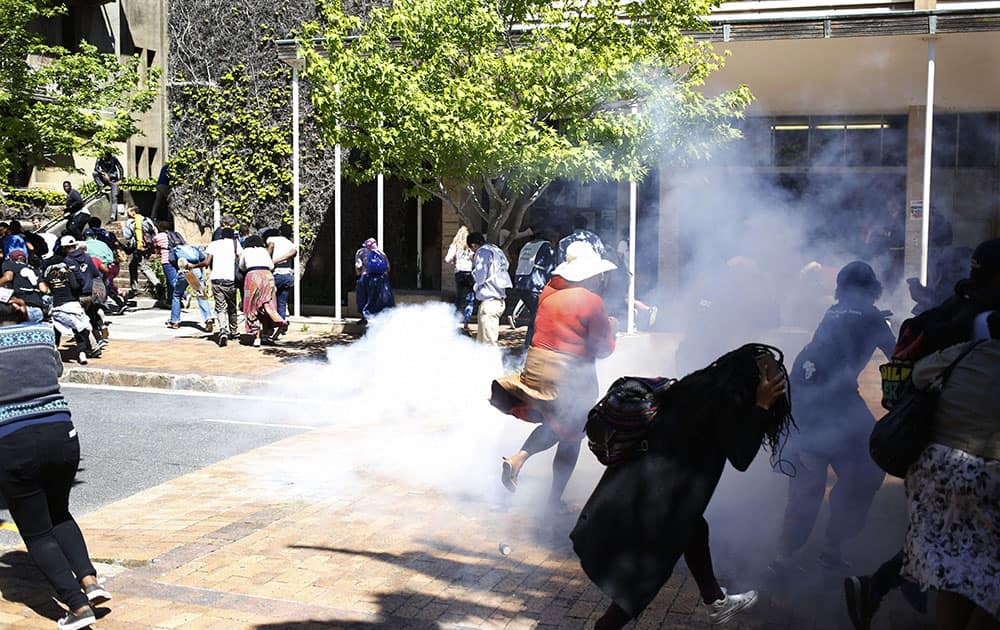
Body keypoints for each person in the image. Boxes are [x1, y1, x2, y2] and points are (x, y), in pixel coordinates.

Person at [572, 344, 793, 629]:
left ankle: (715, 601)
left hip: (642, 485)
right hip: (659, 500)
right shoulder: (727, 402)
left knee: (694, 528)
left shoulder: (701, 383)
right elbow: (741, 456)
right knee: (642, 582)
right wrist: (762, 407)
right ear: (754, 381)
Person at [845, 238, 1000, 629]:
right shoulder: (985, 318)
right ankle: (882, 585)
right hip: (982, 459)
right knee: (970, 559)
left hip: (934, 455)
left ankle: (877, 587)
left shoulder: (958, 307)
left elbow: (918, 369)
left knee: (950, 551)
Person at [772, 261, 895, 574]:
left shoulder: (833, 311)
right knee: (866, 470)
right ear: (873, 289)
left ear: (840, 287)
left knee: (807, 483)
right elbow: (901, 358)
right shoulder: (872, 317)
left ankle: (785, 556)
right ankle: (831, 547)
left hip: (802, 400)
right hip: (836, 404)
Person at [0, 297, 111, 630]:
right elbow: (55, 371)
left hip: (13, 440)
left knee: (36, 531)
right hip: (62, 431)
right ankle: (89, 582)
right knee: (60, 513)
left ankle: (77, 607)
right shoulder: (42, 333)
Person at [494, 241, 617, 506]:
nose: (601, 278)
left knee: (555, 424)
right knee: (572, 436)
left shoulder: (549, 292)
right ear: (588, 274)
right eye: (598, 274)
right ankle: (553, 500)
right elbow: (603, 348)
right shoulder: (591, 301)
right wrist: (611, 328)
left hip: (537, 368)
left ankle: (518, 459)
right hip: (569, 375)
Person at [901, 331, 999, 630]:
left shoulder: (964, 352)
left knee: (955, 570)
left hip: (941, 472)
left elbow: (917, 375)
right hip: (989, 477)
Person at [41, 237, 99, 365]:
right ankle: (84, 352)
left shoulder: (50, 274)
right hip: (77, 300)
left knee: (57, 328)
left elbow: (44, 289)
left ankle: (55, 351)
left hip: (59, 305)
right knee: (79, 327)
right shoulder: (85, 258)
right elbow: (78, 284)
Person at [509, 230, 557, 347]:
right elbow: (551, 268)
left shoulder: (527, 245)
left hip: (521, 284)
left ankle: (530, 344)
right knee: (538, 315)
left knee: (534, 313)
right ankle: (530, 345)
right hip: (535, 284)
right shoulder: (546, 246)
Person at [198, 228, 242, 347]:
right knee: (232, 307)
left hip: (216, 279)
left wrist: (193, 266)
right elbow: (241, 260)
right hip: (231, 280)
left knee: (220, 306)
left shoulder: (214, 244)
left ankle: (223, 329)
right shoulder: (235, 243)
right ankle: (234, 332)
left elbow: (206, 263)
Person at [240, 235, 286, 347]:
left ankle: (256, 336)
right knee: (268, 303)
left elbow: (242, 267)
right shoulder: (264, 251)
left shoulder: (246, 251)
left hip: (253, 277)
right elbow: (271, 265)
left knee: (252, 306)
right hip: (267, 277)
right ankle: (271, 328)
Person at [469, 232, 510, 345]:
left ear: (473, 245)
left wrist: (473, 266)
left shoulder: (482, 252)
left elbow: (480, 278)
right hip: (498, 299)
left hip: (490, 302)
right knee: (483, 341)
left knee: (488, 342)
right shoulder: (496, 250)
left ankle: (492, 362)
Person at [166, 241, 214, 332]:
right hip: (196, 270)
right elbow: (202, 257)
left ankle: (175, 321)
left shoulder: (174, 249)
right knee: (201, 295)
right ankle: (208, 318)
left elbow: (171, 260)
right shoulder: (192, 248)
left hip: (184, 271)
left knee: (177, 295)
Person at [120, 206, 158, 299]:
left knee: (143, 267)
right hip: (147, 246)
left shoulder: (131, 222)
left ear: (133, 213)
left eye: (128, 212)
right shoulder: (147, 219)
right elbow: (155, 230)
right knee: (133, 265)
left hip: (138, 247)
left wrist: (123, 227)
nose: (127, 214)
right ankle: (134, 288)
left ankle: (156, 284)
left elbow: (127, 236)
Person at [0, 250, 48, 322]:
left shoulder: (10, 264)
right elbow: (44, 289)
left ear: (11, 258)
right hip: (38, 309)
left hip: (22, 308)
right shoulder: (34, 270)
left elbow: (8, 277)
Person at [354, 238, 394, 322]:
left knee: (363, 299)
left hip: (366, 278)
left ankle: (365, 318)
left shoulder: (360, 252)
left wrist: (359, 271)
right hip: (382, 279)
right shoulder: (381, 253)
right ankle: (382, 319)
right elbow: (388, 268)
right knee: (381, 300)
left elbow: (358, 267)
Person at [445, 226, 475, 332]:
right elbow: (474, 258)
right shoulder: (471, 246)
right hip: (470, 273)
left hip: (459, 273)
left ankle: (454, 321)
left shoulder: (455, 245)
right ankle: (466, 321)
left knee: (458, 298)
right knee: (470, 298)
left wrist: (454, 261)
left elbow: (447, 259)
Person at [267, 224, 297, 321]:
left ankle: (272, 323)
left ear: (279, 232)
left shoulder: (272, 239)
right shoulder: (290, 244)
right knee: (282, 302)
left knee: (270, 300)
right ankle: (282, 322)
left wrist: (271, 261)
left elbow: (270, 245)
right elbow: (293, 252)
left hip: (275, 273)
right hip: (287, 274)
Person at [91, 153, 123, 220]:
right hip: (105, 177)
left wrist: (121, 179)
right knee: (94, 173)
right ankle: (101, 189)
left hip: (113, 179)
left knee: (114, 198)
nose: (105, 159)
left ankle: (113, 215)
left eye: (107, 157)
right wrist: (103, 173)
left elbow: (120, 168)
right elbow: (96, 168)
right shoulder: (100, 158)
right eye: (104, 157)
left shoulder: (114, 158)